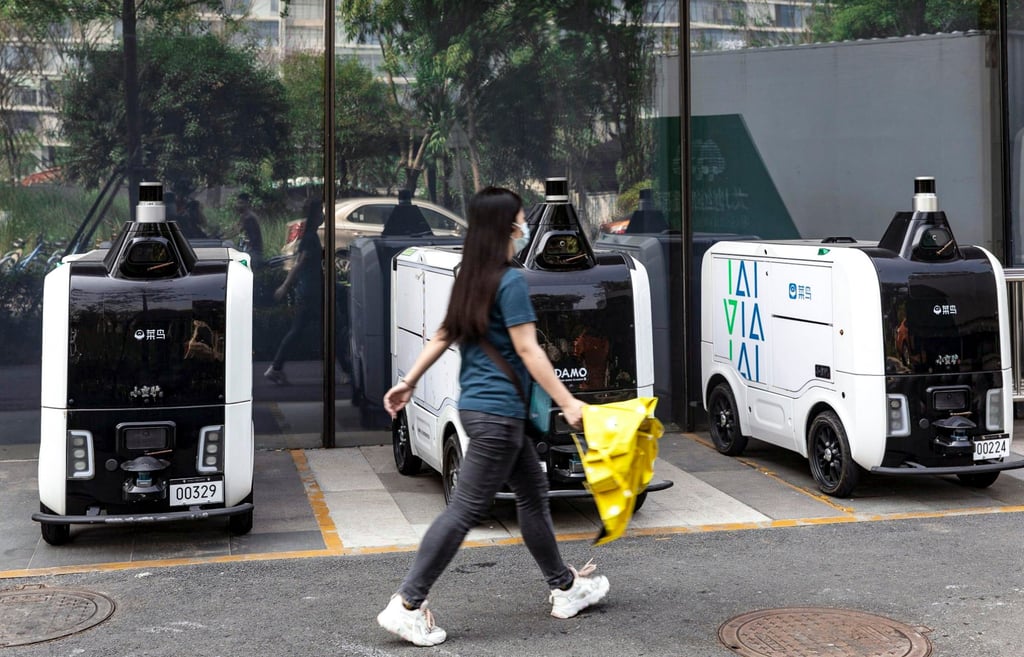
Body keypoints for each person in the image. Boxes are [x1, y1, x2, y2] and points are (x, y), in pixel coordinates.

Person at [376, 187, 607, 647]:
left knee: (533, 494)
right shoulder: (511, 281)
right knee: (465, 509)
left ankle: (564, 587)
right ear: (505, 228)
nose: (523, 230)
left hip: (484, 409)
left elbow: (443, 333)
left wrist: (410, 381)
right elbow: (528, 348)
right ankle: (406, 603)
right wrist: (567, 400)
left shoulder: (471, 278)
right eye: (520, 222)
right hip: (500, 414)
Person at [264, 198, 323, 385]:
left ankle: (276, 367)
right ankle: (275, 367)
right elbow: (300, 263)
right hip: (311, 292)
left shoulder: (310, 235)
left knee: (300, 330)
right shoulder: (310, 237)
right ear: (315, 215)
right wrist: (285, 286)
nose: (323, 215)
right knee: (329, 329)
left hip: (310, 290)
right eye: (321, 212)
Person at [235, 192, 264, 269]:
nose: (238, 206)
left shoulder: (249, 218)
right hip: (249, 252)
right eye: (238, 203)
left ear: (247, 204)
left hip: (253, 254)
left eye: (241, 203)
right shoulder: (244, 216)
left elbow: (253, 240)